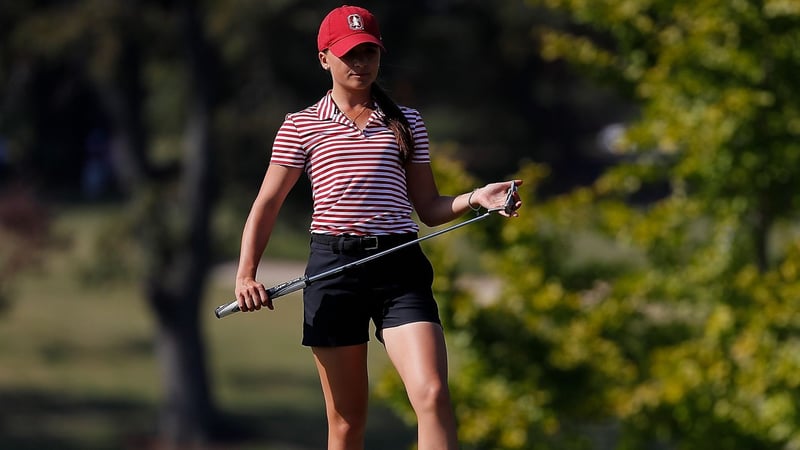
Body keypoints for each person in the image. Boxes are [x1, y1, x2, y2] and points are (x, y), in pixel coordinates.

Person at [234, 5, 522, 450]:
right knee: (348, 422)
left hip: (399, 269)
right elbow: (266, 205)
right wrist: (246, 274)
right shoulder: (300, 125)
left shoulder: (406, 121)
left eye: (369, 52)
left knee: (432, 394)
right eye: (348, 54)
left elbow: (427, 206)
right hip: (334, 269)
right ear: (324, 58)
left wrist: (475, 197)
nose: (360, 63)